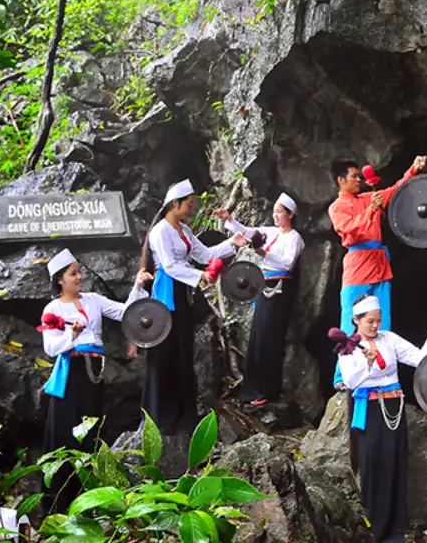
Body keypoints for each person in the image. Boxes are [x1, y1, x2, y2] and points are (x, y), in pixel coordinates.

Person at [39, 248, 154, 514]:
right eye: (73, 274)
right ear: (60, 280)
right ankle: (58, 505)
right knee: (66, 435)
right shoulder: (53, 308)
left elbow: (125, 312)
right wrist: (72, 337)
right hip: (71, 374)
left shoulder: (93, 300)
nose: (79, 277)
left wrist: (137, 287)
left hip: (94, 375)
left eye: (79, 272)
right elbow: (51, 348)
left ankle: (87, 500)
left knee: (90, 432)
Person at [336, 295, 427, 543]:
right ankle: (376, 528)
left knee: (395, 461)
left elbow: (418, 359)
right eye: (370, 321)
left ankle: (396, 530)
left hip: (394, 407)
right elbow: (351, 381)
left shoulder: (389, 339)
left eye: (378, 320)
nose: (375, 326)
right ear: (356, 320)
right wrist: (367, 364)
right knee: (373, 464)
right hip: (370, 408)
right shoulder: (348, 346)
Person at [140, 179, 247, 434]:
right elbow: (169, 266)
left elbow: (204, 255)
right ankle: (160, 414)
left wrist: (232, 242)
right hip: (166, 292)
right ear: (174, 203)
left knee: (183, 351)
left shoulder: (185, 231)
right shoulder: (160, 231)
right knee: (165, 352)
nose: (191, 209)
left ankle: (183, 412)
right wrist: (199, 276)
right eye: (188, 204)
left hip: (184, 291)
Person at [328, 156, 427, 389]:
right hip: (358, 265)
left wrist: (413, 169)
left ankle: (383, 370)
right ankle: (342, 376)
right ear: (341, 180)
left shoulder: (367, 198)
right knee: (350, 323)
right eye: (354, 176)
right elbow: (348, 229)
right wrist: (371, 210)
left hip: (380, 264)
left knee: (382, 322)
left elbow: (393, 191)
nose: (359, 180)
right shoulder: (337, 207)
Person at [214, 192, 305, 406]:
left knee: (270, 336)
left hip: (280, 288)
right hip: (264, 286)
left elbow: (287, 263)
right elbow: (249, 233)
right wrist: (229, 219)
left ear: (290, 214)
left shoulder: (295, 238)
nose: (276, 216)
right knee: (258, 335)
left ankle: (267, 389)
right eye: (274, 212)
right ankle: (252, 386)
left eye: (279, 212)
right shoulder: (271, 232)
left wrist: (264, 254)